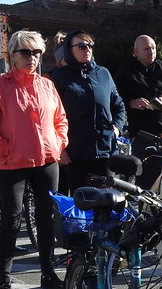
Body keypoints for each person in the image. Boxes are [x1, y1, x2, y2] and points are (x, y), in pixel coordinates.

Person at [0, 30, 68, 289]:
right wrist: (4, 150)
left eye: (37, 52)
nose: (32, 58)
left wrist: (59, 143)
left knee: (46, 219)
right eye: (25, 52)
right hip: (12, 164)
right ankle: (3, 282)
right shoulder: (1, 86)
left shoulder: (47, 85)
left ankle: (48, 273)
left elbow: (60, 119)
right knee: (11, 219)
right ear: (13, 55)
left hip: (46, 161)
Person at [50, 31, 126, 192]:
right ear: (69, 50)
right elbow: (50, 116)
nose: (87, 49)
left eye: (90, 45)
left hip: (104, 151)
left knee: (106, 203)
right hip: (75, 154)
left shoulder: (103, 73)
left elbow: (118, 104)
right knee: (82, 204)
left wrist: (117, 128)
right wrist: (60, 149)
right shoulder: (59, 76)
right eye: (82, 46)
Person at [115, 35, 162, 187]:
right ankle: (144, 209)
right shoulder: (126, 71)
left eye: (153, 48)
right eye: (146, 49)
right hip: (142, 133)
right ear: (135, 51)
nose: (151, 52)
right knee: (146, 178)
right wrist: (131, 103)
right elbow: (114, 98)